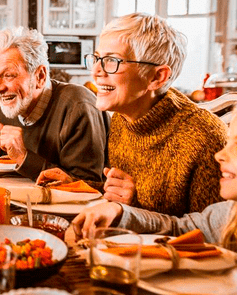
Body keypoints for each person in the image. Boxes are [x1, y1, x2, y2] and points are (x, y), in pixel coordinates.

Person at [38, 13, 226, 216]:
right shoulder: (122, 118)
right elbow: (121, 192)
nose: (96, 71)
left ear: (157, 77)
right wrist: (76, 185)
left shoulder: (205, 138)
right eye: (97, 58)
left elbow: (211, 235)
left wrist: (134, 207)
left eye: (112, 60)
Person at [73, 111, 237, 250]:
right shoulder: (228, 213)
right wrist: (119, 212)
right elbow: (178, 229)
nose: (219, 155)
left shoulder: (201, 131)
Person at [0, 26, 109, 182]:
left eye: (8, 76)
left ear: (40, 76)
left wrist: (24, 157)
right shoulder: (4, 111)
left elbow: (86, 187)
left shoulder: (78, 106)